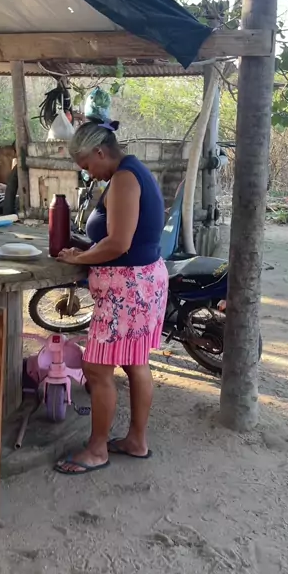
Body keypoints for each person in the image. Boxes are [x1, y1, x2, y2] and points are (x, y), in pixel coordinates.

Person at [55, 120, 169, 475]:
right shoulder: (135, 171)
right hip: (144, 281)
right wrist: (87, 251)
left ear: (100, 152)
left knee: (96, 368)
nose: (89, 173)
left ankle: (97, 450)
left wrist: (79, 259)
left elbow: (119, 243)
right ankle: (136, 441)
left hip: (128, 290)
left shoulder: (124, 179)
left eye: (87, 165)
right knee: (136, 362)